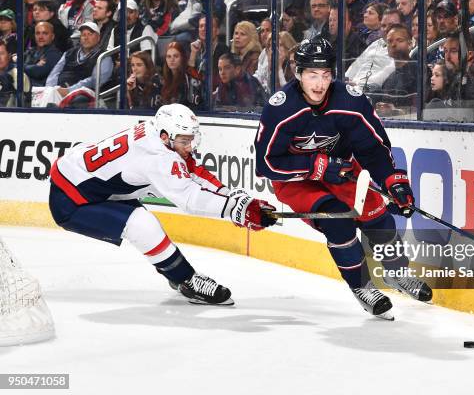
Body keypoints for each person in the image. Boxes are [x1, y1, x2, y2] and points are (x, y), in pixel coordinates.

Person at [254, 37, 432, 320]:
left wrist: (393, 182)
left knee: (380, 218)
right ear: (298, 73)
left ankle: (397, 274)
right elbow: (265, 164)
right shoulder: (281, 108)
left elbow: (373, 149)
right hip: (296, 181)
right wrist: (317, 167)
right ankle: (362, 286)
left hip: (342, 171)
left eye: (325, 75)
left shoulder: (350, 100)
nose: (319, 84)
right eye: (312, 75)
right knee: (338, 221)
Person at [48, 104, 277, 305]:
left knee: (142, 221)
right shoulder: (158, 157)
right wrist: (235, 209)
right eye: (184, 141)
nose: (189, 146)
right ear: (166, 136)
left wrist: (234, 198)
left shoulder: (155, 132)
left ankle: (178, 274)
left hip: (84, 181)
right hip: (71, 201)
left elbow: (191, 171)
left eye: (191, 139)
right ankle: (186, 280)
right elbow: (189, 198)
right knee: (141, 224)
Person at [45, 22, 113, 107]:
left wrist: (70, 90)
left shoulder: (103, 56)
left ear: (98, 38)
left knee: (79, 100)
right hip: (61, 90)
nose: (86, 37)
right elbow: (54, 73)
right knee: (45, 98)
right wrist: (49, 89)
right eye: (83, 34)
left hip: (86, 93)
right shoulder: (69, 53)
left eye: (90, 34)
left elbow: (96, 80)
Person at [24, 21, 63, 87]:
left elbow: (38, 72)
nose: (40, 37)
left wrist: (21, 66)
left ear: (52, 36)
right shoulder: (31, 50)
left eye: (45, 33)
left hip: (41, 91)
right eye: (37, 33)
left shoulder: (54, 54)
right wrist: (34, 66)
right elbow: (10, 64)